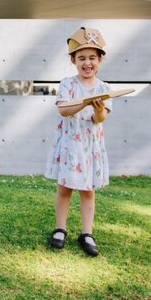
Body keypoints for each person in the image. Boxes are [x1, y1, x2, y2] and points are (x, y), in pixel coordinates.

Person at [45, 27, 112, 256]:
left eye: (92, 58)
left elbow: (99, 119)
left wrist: (99, 109)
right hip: (70, 145)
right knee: (64, 188)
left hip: (90, 147)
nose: (87, 63)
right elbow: (64, 111)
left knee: (87, 191)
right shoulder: (67, 84)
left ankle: (87, 233)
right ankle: (60, 229)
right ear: (73, 60)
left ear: (100, 60)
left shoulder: (103, 88)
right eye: (81, 58)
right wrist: (85, 101)